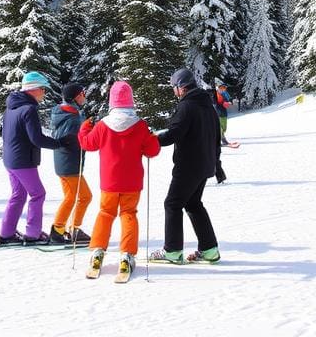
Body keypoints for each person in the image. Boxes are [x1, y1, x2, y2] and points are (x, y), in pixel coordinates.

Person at [78, 80, 160, 278]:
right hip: (132, 182)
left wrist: (84, 128)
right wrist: (152, 137)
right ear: (131, 101)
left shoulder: (103, 125)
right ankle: (126, 255)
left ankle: (97, 251)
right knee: (128, 214)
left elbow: (87, 144)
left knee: (106, 213)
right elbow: (152, 150)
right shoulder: (140, 125)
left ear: (111, 102)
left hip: (109, 182)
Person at [150, 68, 221, 265]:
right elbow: (217, 137)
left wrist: (152, 140)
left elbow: (174, 133)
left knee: (172, 204)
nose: (174, 91)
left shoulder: (187, 106)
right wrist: (216, 165)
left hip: (189, 166)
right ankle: (209, 249)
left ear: (181, 87)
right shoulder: (208, 106)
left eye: (174, 87)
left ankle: (172, 251)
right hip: (205, 165)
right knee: (193, 204)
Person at [0, 71, 71, 245]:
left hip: (10, 159)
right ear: (34, 89)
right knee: (38, 194)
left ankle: (6, 233)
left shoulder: (11, 107)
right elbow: (36, 138)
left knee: (18, 195)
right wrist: (59, 143)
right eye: (43, 89)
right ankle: (33, 234)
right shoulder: (28, 109)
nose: (44, 93)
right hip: (23, 161)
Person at [49, 82, 92, 244]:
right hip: (68, 164)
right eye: (82, 94)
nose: (84, 97)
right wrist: (88, 133)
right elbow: (70, 140)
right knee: (72, 197)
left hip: (69, 162)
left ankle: (74, 229)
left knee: (84, 196)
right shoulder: (71, 117)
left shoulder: (70, 113)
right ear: (74, 97)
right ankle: (58, 230)